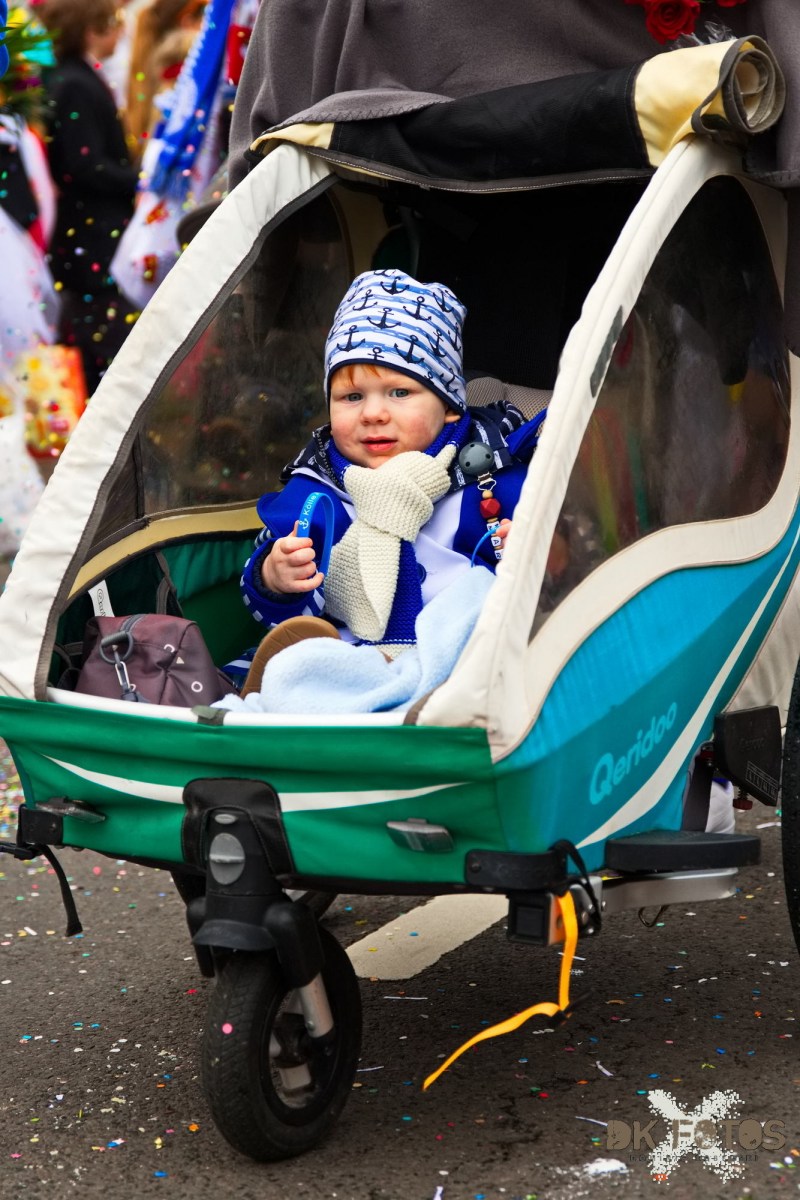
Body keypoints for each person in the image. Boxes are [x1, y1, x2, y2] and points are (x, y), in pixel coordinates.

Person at [239, 268, 540, 694]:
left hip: (463, 654)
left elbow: (561, 563)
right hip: (351, 652)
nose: (373, 414)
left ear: (449, 406)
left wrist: (533, 551)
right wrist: (274, 577)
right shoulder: (318, 487)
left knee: (484, 605)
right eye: (352, 397)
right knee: (299, 661)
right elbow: (267, 590)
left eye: (400, 393)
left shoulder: (492, 475)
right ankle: (295, 694)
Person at [40, 0, 138, 393]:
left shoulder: (72, 76)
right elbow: (83, 165)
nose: (121, 31)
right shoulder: (74, 84)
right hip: (91, 234)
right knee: (102, 337)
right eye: (113, 23)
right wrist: (139, 180)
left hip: (90, 231)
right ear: (90, 30)